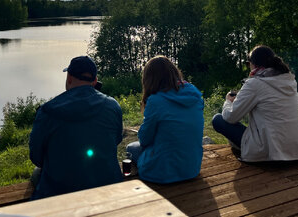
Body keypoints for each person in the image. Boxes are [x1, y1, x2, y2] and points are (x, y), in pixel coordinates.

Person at [29, 56, 123, 199]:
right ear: (95, 81)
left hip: (62, 194)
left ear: (69, 78)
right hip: (108, 188)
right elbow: (116, 140)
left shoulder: (47, 111)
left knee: (37, 173)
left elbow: (36, 157)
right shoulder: (112, 106)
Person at [212, 45, 298, 162]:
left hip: (271, 152)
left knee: (218, 119)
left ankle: (246, 149)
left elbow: (231, 117)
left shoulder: (255, 83)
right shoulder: (289, 80)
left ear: (254, 64)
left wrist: (228, 101)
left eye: (248, 64)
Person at [126, 56, 204, 183]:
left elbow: (144, 140)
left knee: (131, 147)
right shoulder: (195, 95)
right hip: (192, 169)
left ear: (149, 79)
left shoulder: (156, 101)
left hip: (162, 173)